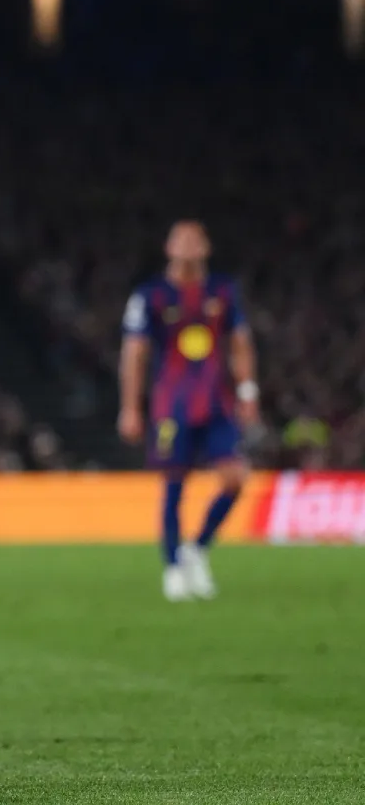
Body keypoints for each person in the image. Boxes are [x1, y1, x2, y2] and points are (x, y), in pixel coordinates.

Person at [118, 220, 259, 601]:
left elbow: (240, 342)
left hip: (216, 402)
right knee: (173, 485)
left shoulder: (223, 291)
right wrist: (130, 407)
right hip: (172, 406)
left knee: (235, 478)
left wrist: (248, 391)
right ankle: (173, 568)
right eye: (181, 239)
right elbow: (134, 353)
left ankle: (196, 549)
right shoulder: (150, 296)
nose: (188, 246)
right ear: (168, 247)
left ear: (206, 247)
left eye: (195, 239)